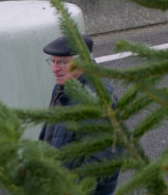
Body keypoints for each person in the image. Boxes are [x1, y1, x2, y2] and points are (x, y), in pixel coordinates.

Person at [40, 35, 120, 195]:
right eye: (53, 61)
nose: (54, 69)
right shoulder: (61, 88)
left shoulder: (96, 99)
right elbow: (49, 136)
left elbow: (100, 161)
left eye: (62, 62)